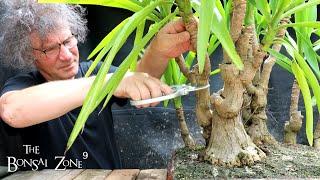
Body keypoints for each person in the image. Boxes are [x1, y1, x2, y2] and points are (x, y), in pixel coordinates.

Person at [0, 0, 191, 170]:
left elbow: (138, 81)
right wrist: (105, 83)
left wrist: (159, 50)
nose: (66, 55)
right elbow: (12, 111)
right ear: (29, 54)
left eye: (68, 41)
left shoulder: (93, 71)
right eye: (49, 49)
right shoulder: (24, 85)